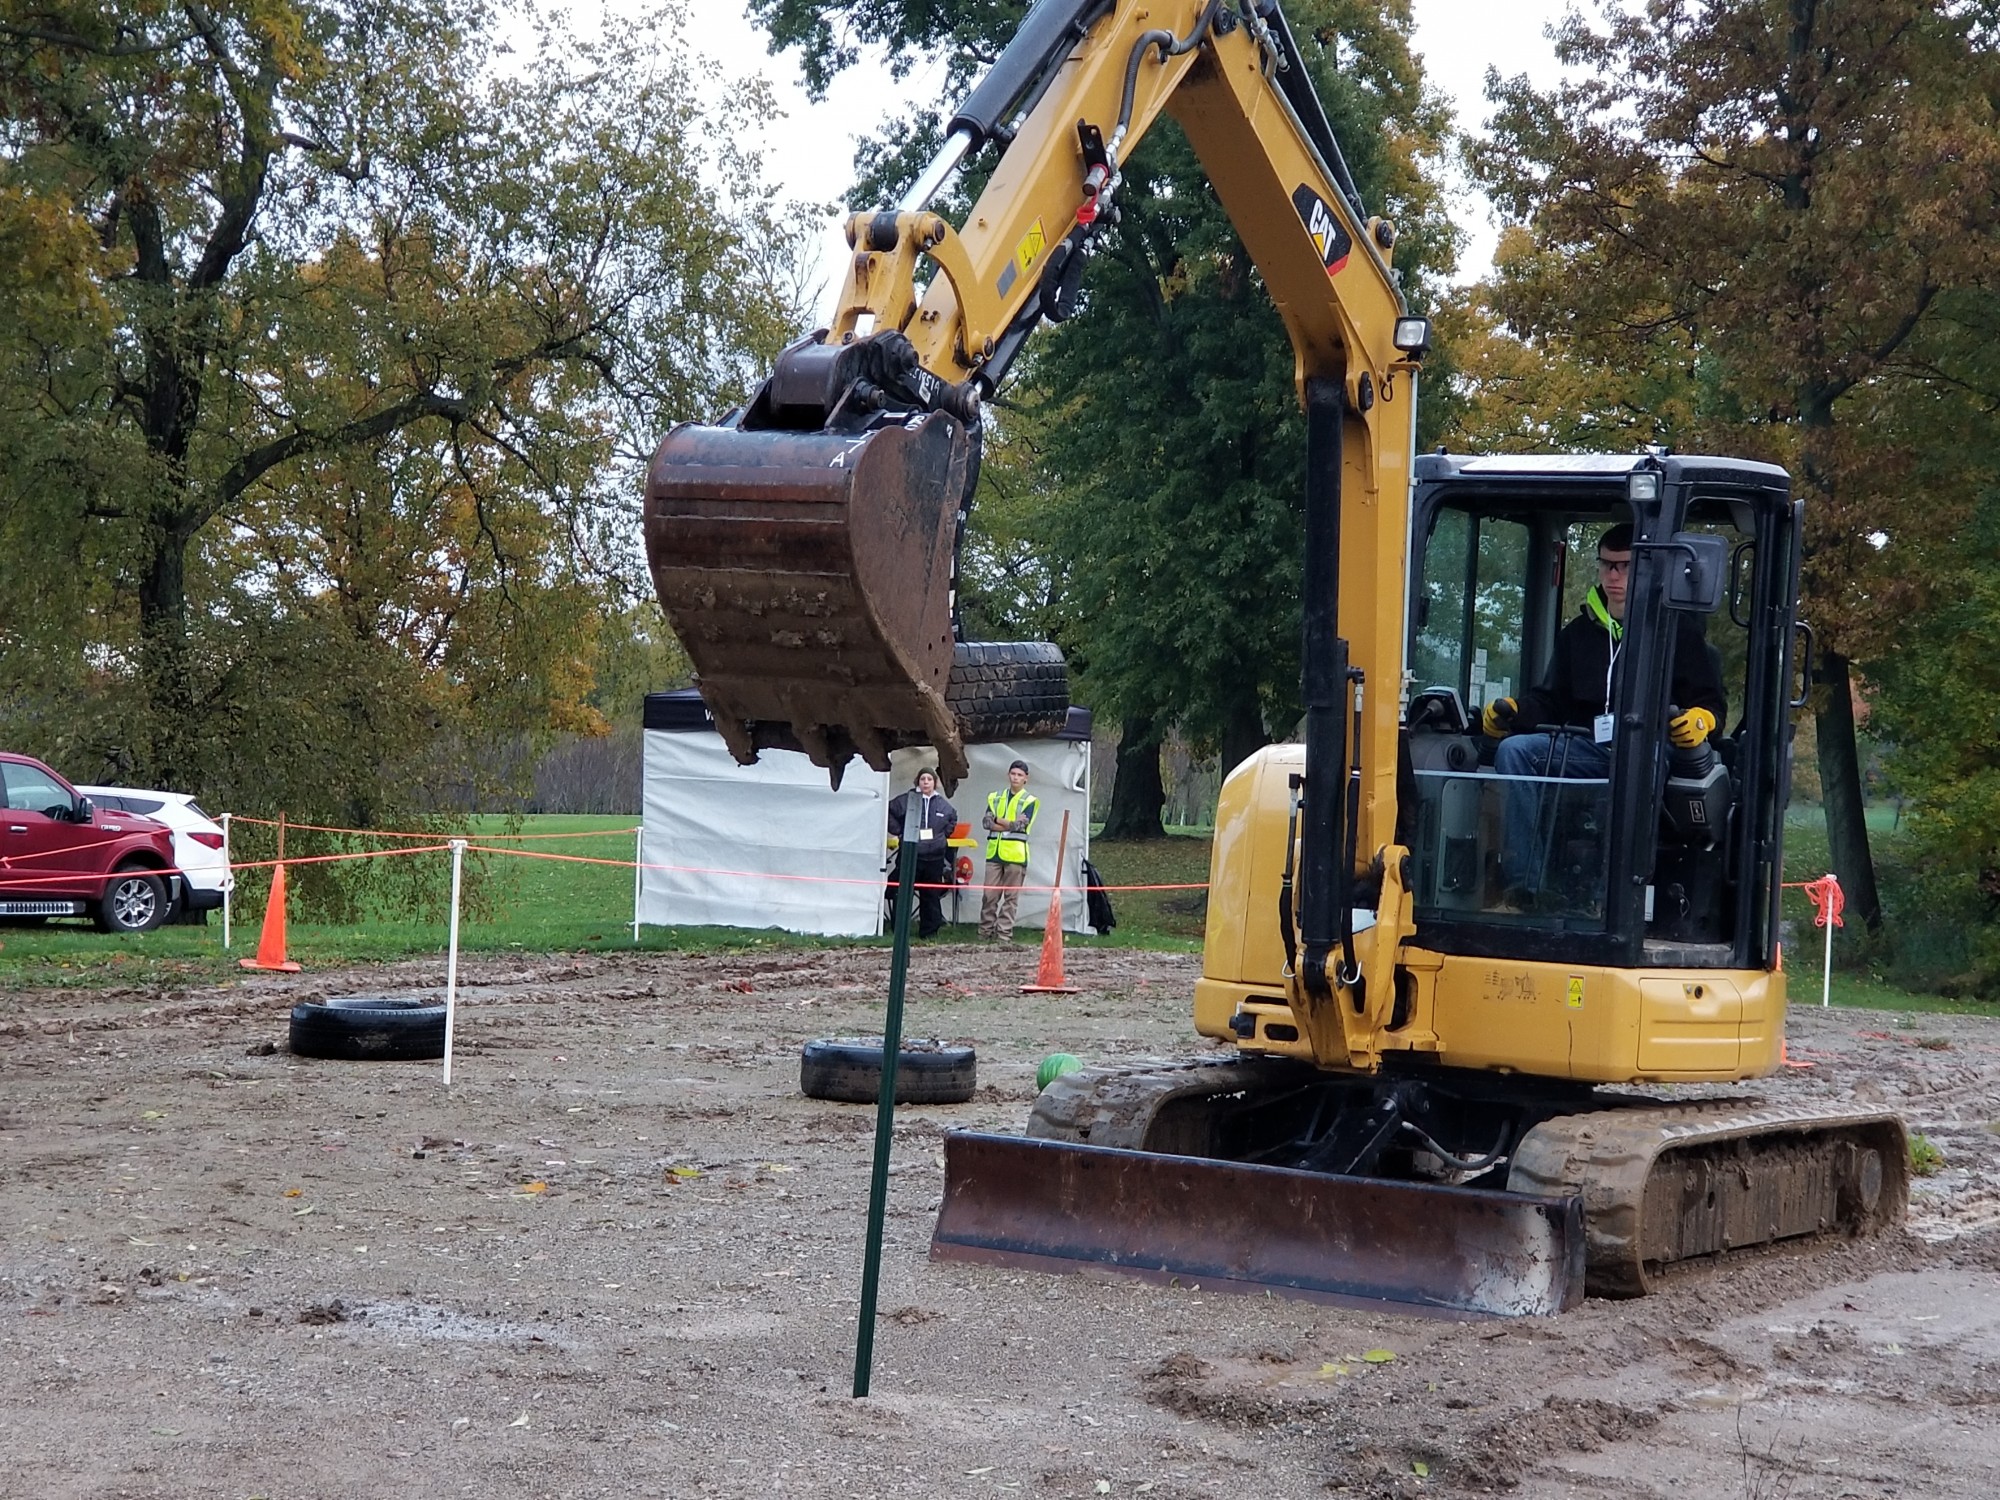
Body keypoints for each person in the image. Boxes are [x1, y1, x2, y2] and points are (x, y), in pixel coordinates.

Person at [1481, 523, 1725, 904]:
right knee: (1515, 751)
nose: (1614, 576)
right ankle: (1527, 887)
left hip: (1650, 749)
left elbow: (1713, 705)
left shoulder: (1676, 634)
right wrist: (1515, 712)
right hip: (1588, 749)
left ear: (1646, 569)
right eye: (1607, 565)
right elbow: (1551, 701)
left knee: (1641, 762)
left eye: (1625, 566)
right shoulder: (1577, 635)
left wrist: (1701, 720)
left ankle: (1615, 893)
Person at [886, 769, 957, 938]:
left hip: (934, 857)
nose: (926, 782)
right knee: (904, 892)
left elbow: (952, 819)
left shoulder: (943, 804)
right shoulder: (907, 800)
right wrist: (900, 831)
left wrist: (941, 837)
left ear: (935, 782)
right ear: (917, 781)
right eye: (923, 779)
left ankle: (929, 931)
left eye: (929, 779)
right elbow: (888, 811)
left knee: (931, 894)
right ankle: (900, 930)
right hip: (911, 855)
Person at [978, 759, 1039, 941]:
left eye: (1020, 775)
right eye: (1013, 774)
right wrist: (1007, 824)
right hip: (994, 853)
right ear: (1008, 775)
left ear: (1026, 779)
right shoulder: (995, 797)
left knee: (1011, 897)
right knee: (989, 896)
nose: (1016, 778)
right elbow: (986, 823)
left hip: (1016, 854)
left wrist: (998, 820)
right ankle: (984, 933)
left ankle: (1003, 934)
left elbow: (1019, 826)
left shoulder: (1030, 801)